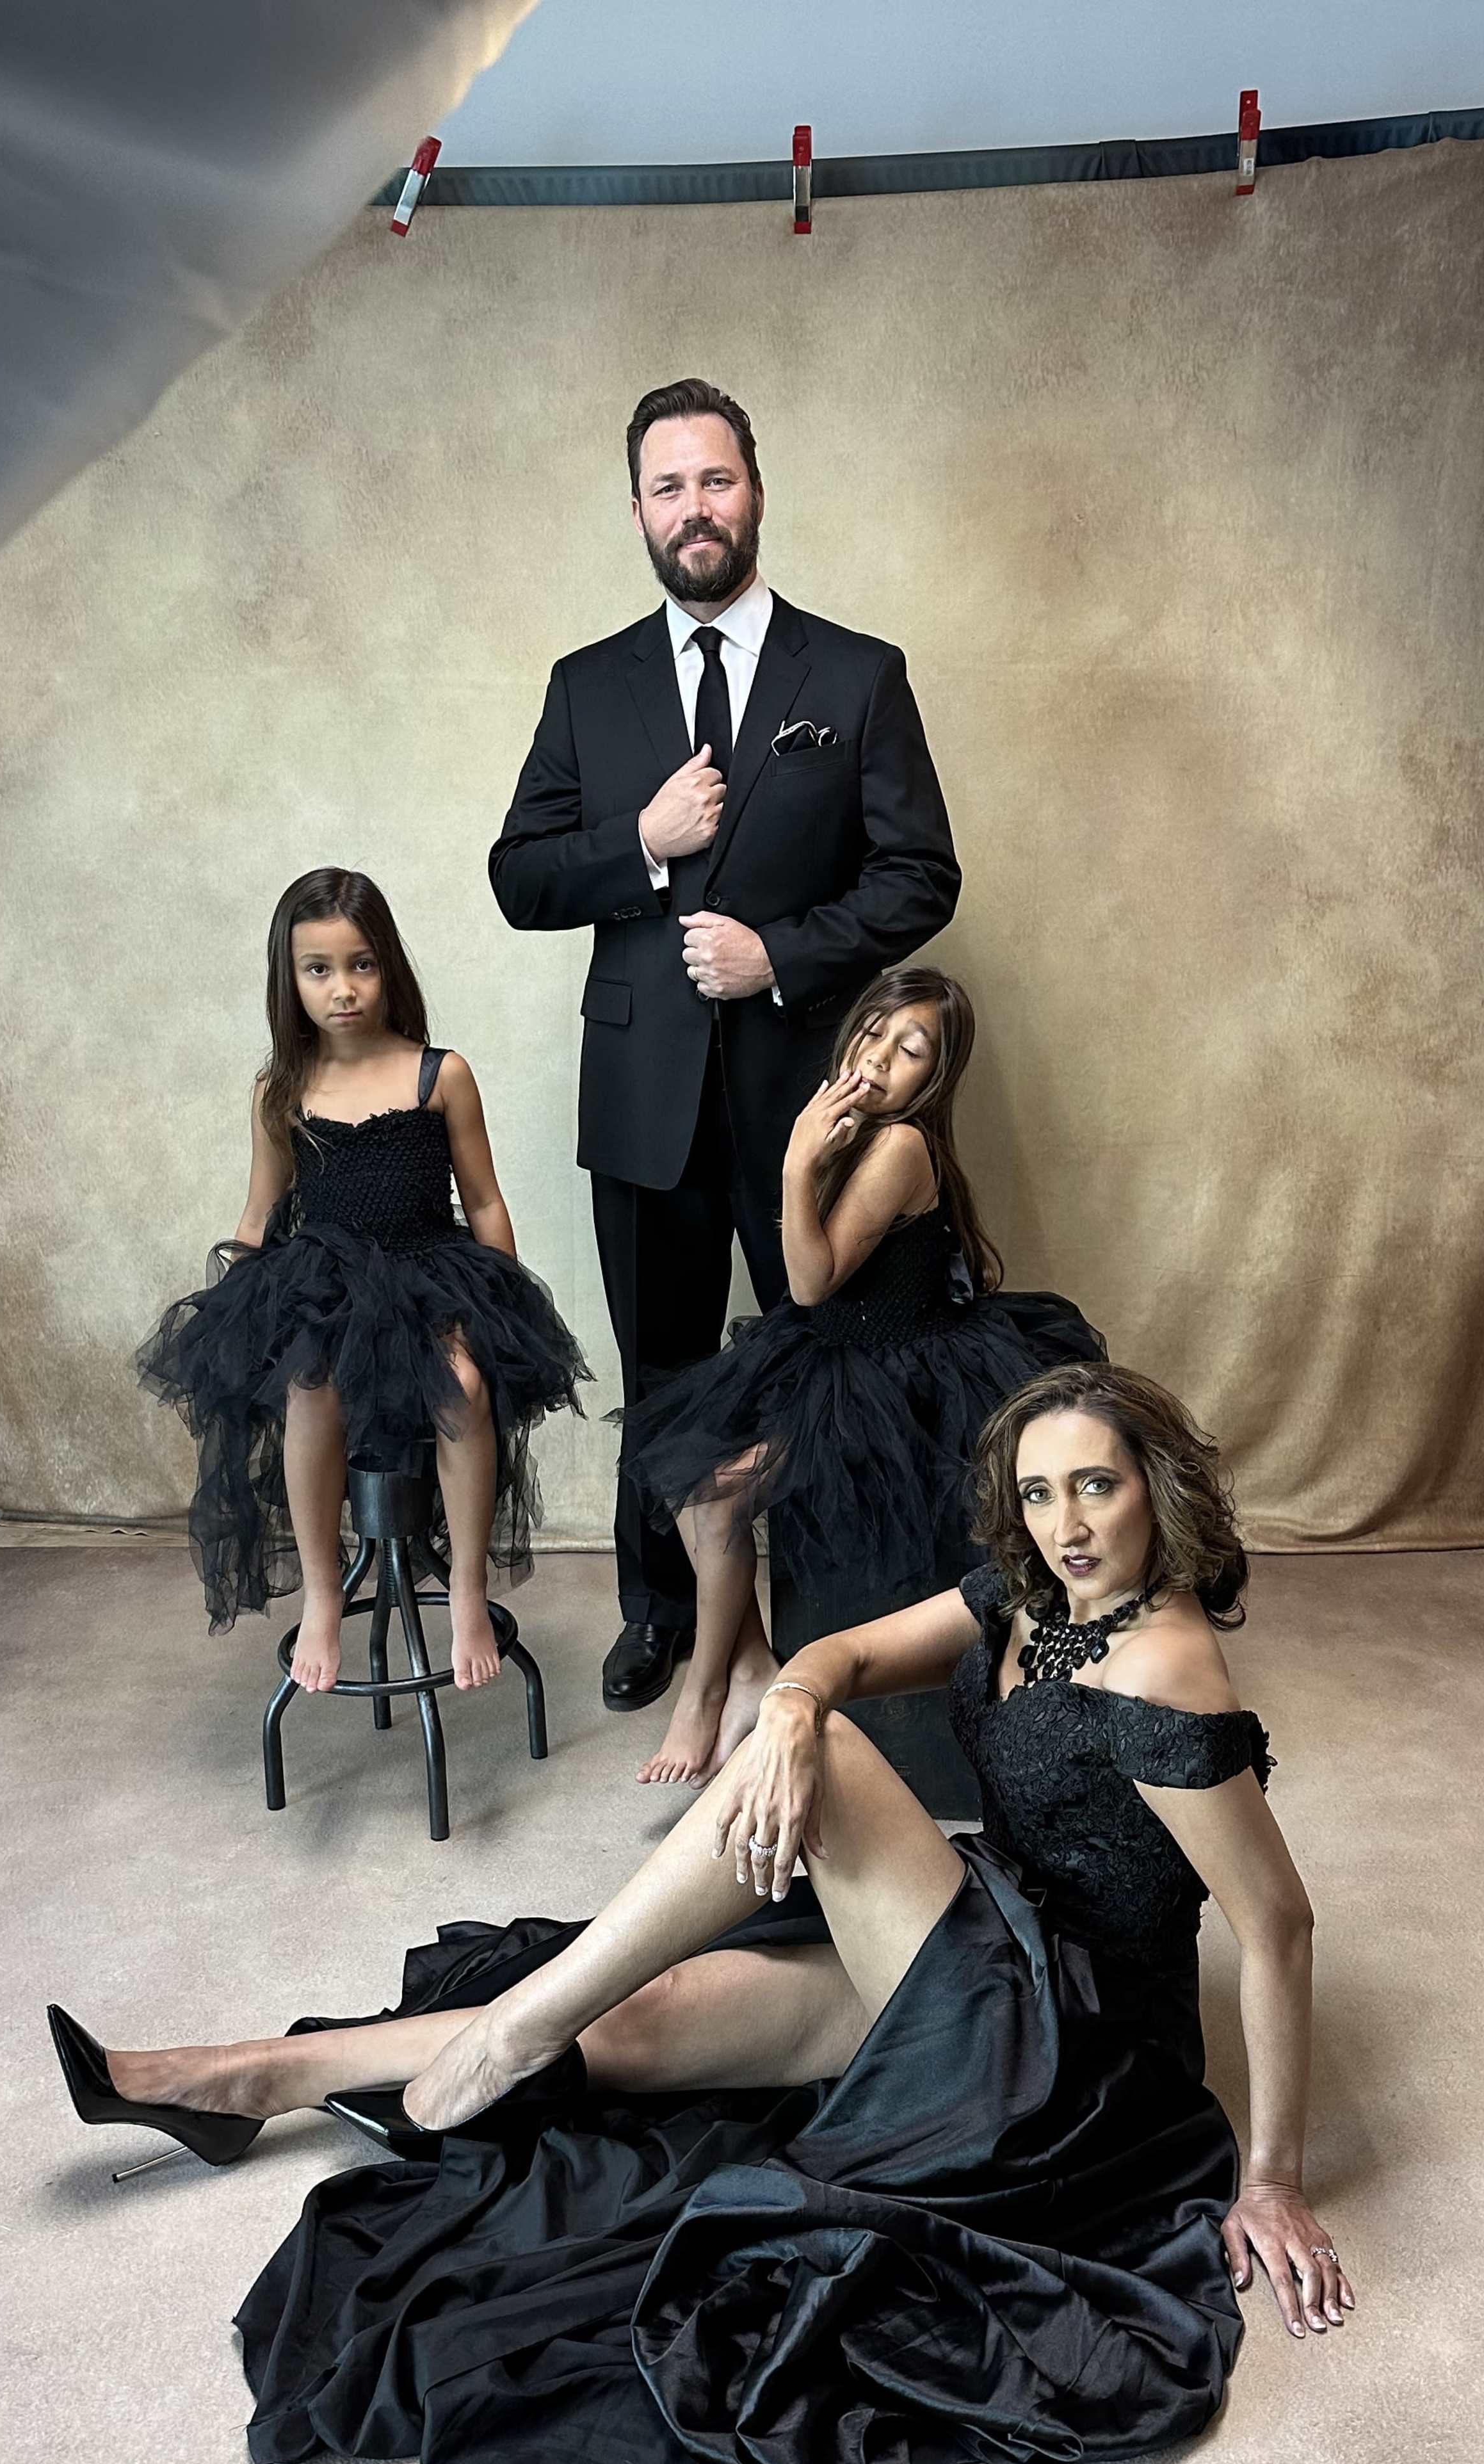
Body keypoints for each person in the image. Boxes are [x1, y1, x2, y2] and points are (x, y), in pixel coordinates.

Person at [49, 1361, 1351, 2464]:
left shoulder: (1164, 1666)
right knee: (647, 2015)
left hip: (1068, 2049)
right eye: (1040, 1491)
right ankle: (251, 2078)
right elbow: (838, 1654)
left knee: (812, 1767)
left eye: (1097, 1489)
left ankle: (516, 2028)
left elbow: (1277, 1921)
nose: (1066, 1524)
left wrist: (1275, 2170)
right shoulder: (1028, 1594)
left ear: (1155, 1490)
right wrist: (786, 1700)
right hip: (975, 1943)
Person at [489, 376, 960, 1717]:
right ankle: (669, 1616)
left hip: (808, 1089)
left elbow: (921, 875)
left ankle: (836, 1619)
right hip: (644, 1096)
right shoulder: (589, 687)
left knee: (829, 1359)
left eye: (716, 479)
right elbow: (519, 876)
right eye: (667, 486)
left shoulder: (856, 675)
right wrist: (639, 845)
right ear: (636, 509)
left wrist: (783, 955)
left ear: (755, 488)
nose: (694, 508)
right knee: (664, 1370)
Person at [622, 962, 1104, 1785]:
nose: (880, 1057)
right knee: (686, 1476)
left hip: (903, 1371)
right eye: (874, 1032)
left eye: (910, 1049)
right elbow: (814, 1302)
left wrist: (794, 1166)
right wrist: (814, 1151)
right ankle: (745, 1668)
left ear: (936, 1076)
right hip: (834, 1350)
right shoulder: (849, 1122)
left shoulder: (903, 1145)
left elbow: (809, 1281)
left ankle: (706, 1688)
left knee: (721, 1493)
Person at [136, 867, 588, 1690]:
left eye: (361, 964)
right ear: (291, 979)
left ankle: (468, 1586)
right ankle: (320, 1591)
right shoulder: (281, 1092)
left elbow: (483, 1200)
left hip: (429, 1272)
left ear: (389, 967)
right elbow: (258, 1213)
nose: (343, 989)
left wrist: (503, 1303)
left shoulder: (438, 1074)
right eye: (319, 969)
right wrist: (235, 1314)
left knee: (462, 1384)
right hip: (322, 1281)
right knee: (312, 1384)